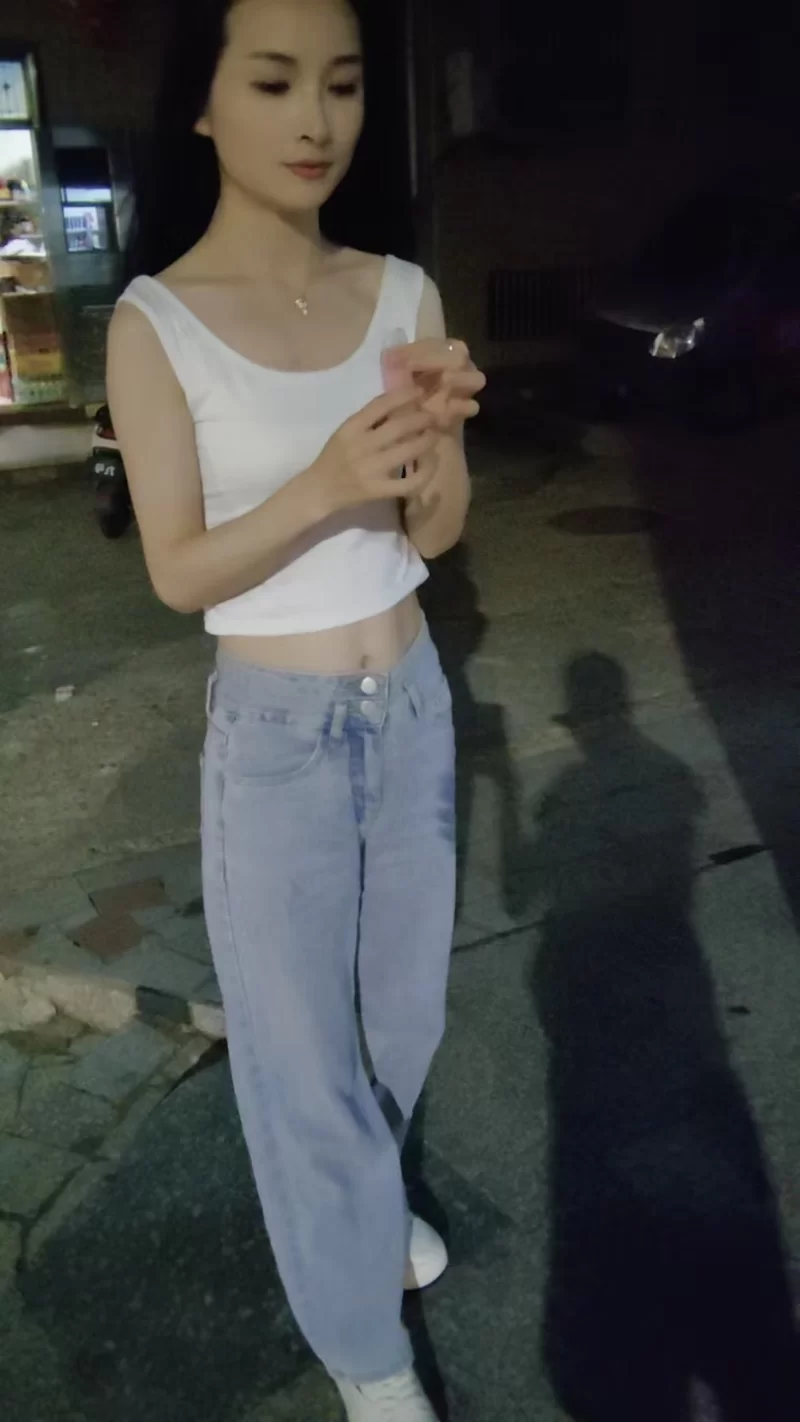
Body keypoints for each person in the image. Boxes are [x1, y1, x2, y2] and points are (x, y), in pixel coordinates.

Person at [106, 1, 485, 1417]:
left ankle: (362, 1216)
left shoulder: (402, 294)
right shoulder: (155, 322)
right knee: (301, 1056)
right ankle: (364, 1357)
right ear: (203, 106)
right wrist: (324, 482)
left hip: (413, 708)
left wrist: (438, 450)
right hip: (276, 738)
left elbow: (433, 533)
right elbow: (178, 571)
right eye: (274, 82)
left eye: (341, 84)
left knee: (401, 1023)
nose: (317, 119)